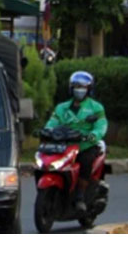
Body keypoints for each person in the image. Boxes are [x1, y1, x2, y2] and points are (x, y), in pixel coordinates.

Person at [44, 70, 107, 214]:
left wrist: (92, 136)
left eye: (83, 87)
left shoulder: (96, 108)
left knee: (86, 161)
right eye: (77, 86)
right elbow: (52, 122)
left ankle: (80, 196)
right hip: (65, 144)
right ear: (71, 88)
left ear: (89, 89)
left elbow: (101, 127)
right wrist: (47, 130)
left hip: (85, 145)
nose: (80, 89)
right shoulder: (61, 108)